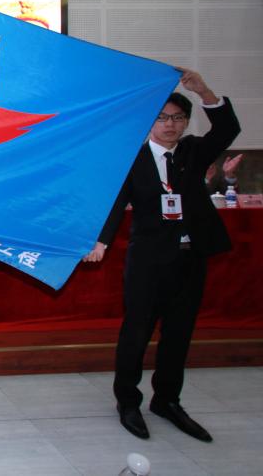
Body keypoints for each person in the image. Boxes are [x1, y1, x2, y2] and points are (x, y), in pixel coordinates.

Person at [84, 70, 239, 443]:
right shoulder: (131, 158)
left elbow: (227, 129)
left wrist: (204, 91)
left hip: (190, 258)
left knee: (179, 333)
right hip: (148, 262)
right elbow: (115, 203)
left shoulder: (193, 152)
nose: (170, 125)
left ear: (185, 122)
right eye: (162, 117)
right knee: (136, 332)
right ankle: (128, 402)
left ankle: (167, 400)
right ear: (149, 121)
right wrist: (101, 242)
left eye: (177, 118)